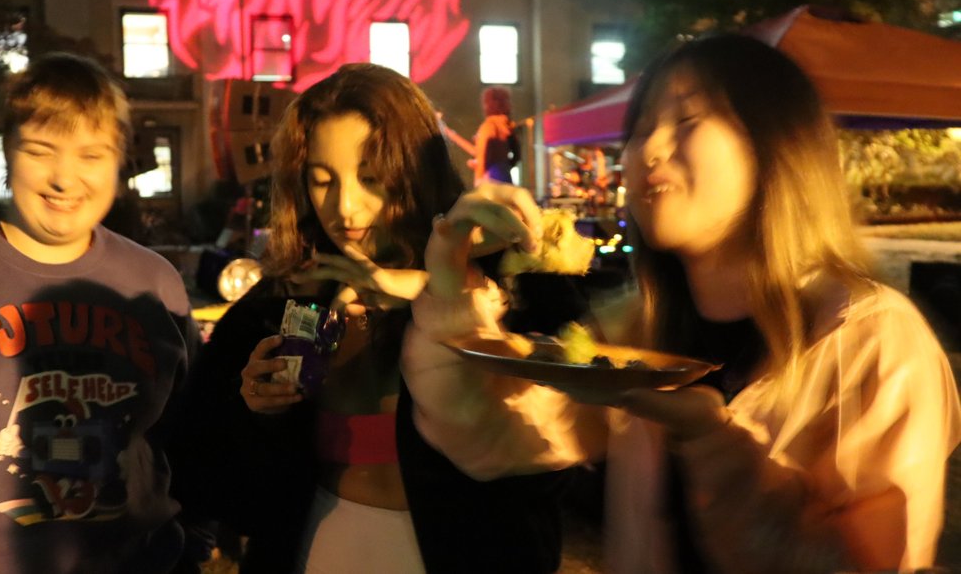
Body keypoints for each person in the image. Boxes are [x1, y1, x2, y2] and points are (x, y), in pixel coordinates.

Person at [402, 34, 961, 573]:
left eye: (686, 121)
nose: (650, 149)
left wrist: (715, 449)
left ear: (774, 146)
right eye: (640, 130)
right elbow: (492, 437)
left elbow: (867, 562)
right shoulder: (637, 327)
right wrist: (451, 274)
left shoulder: (869, 339)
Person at [169, 63, 579, 573]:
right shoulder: (276, 307)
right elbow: (214, 487)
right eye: (322, 181)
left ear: (417, 171)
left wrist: (451, 291)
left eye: (370, 178)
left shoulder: (497, 288)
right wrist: (257, 413)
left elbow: (556, 464)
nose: (345, 207)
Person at [0, 52, 200, 574]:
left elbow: (191, 435)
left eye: (91, 155)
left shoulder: (155, 283)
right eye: (42, 151)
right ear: (7, 152)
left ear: (119, 161)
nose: (64, 179)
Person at [470, 86, 520, 184]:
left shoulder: (488, 125)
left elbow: (482, 153)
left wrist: (479, 178)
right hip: (505, 175)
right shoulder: (508, 126)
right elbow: (517, 155)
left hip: (489, 178)